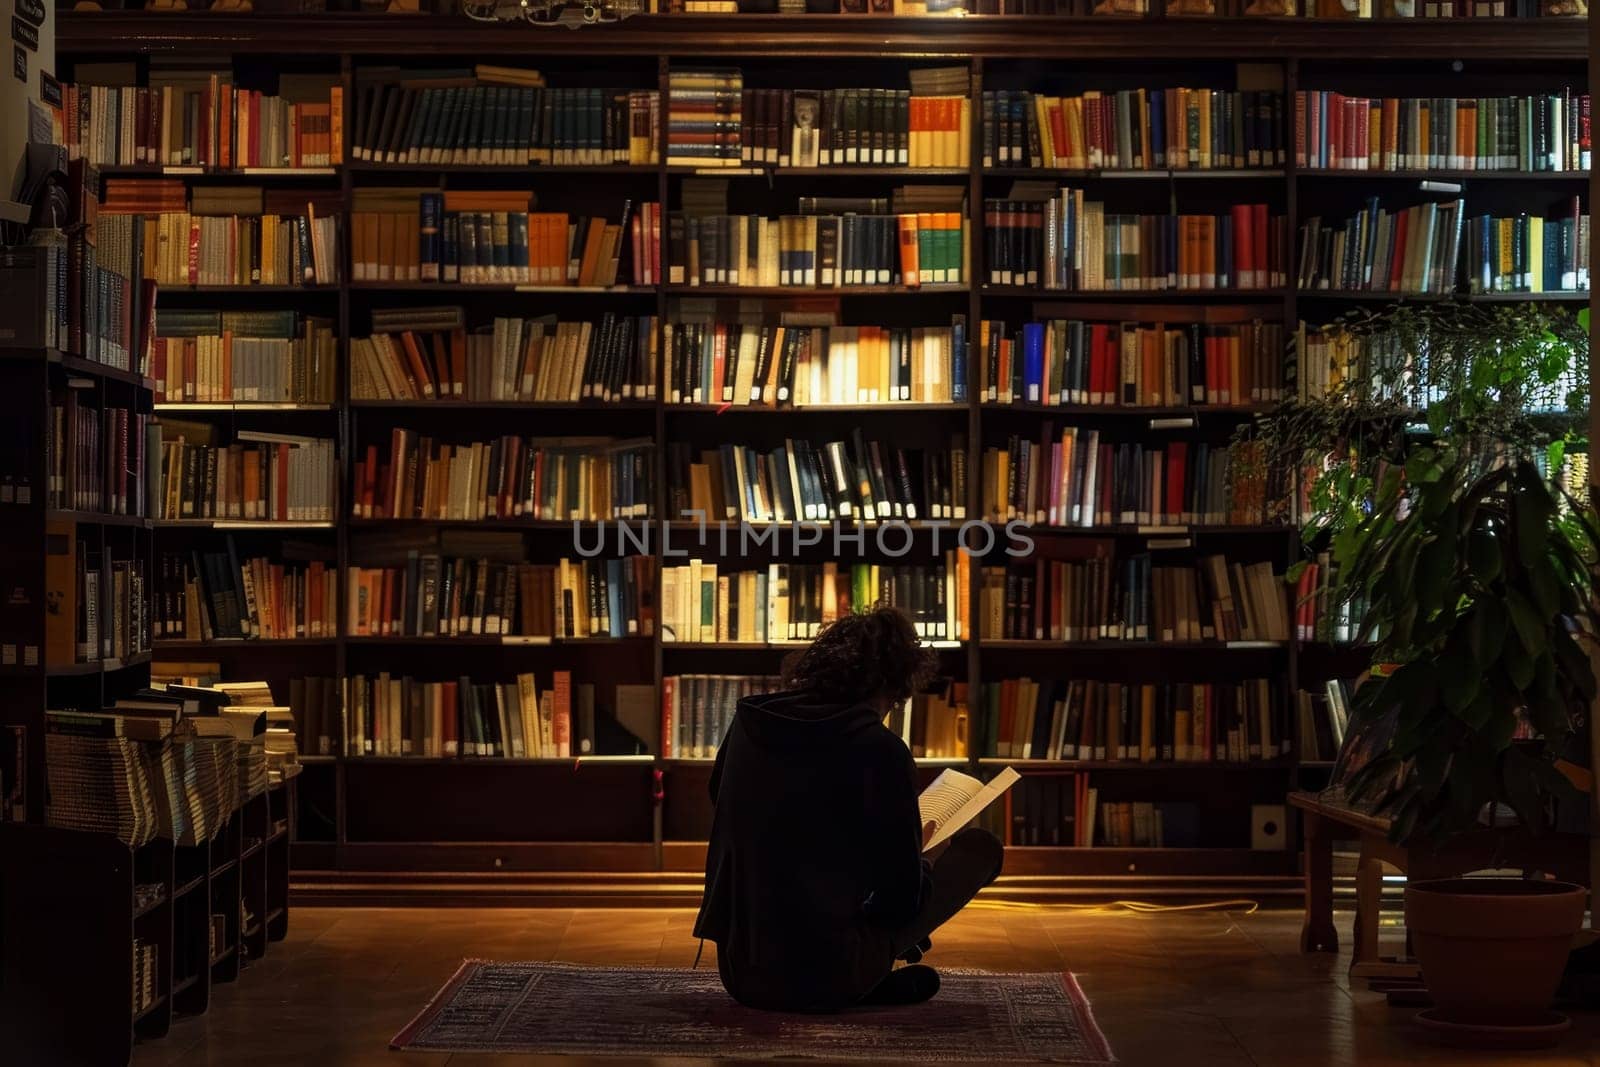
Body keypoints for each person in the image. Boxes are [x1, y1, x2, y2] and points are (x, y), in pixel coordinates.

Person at [693, 605, 1004, 1013]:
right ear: (892, 688)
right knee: (980, 849)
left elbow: (724, 801)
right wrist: (919, 860)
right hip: (826, 973)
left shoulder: (750, 723)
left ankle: (868, 980)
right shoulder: (880, 749)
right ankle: (863, 979)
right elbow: (898, 901)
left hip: (742, 972)